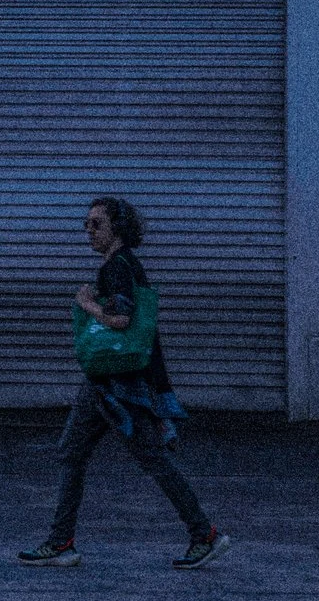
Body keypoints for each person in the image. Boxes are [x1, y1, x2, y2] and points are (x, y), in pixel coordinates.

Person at [17, 195, 223, 569]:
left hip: (119, 383)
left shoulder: (117, 266)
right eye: (86, 224)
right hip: (105, 381)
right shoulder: (123, 265)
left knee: (151, 459)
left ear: (118, 229)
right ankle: (61, 541)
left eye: (97, 224)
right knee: (73, 452)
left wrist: (86, 304)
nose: (89, 232)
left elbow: (122, 321)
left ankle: (203, 534)